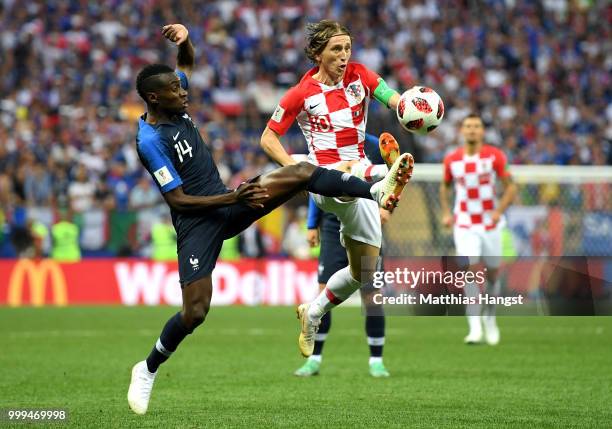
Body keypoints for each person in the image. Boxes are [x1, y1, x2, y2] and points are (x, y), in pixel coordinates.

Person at [127, 23, 413, 415]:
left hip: (235, 198)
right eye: (177, 91)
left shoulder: (172, 96)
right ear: (153, 98)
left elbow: (186, 65)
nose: (184, 93)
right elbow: (177, 200)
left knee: (299, 170)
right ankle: (147, 368)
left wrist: (185, 42)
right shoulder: (149, 142)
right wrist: (231, 196)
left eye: (183, 87)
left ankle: (376, 185)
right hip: (200, 220)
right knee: (195, 312)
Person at [259, 20, 412, 358]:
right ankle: (382, 181)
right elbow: (268, 138)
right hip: (325, 176)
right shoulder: (300, 93)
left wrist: (410, 108)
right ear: (317, 53)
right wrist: (296, 171)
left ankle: (312, 313)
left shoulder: (362, 76)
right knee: (350, 171)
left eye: (347, 49)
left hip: (356, 171)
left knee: (362, 272)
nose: (344, 56)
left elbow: (392, 98)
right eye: (336, 50)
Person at [294, 191, 391, 378]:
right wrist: (312, 224)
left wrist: (388, 207)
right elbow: (316, 185)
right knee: (322, 293)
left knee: (372, 297)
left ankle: (376, 361)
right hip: (332, 221)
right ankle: (314, 359)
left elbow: (392, 177)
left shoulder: (373, 160)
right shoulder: (327, 161)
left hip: (365, 220)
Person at [440, 113, 517, 345]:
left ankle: (490, 317)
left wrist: (498, 211)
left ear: (482, 131)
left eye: (476, 126)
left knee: (492, 273)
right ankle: (474, 326)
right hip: (464, 222)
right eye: (468, 126)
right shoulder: (451, 159)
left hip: (490, 223)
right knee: (470, 268)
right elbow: (444, 187)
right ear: (461, 131)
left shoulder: (494, 156)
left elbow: (511, 187)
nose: (472, 130)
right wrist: (446, 212)